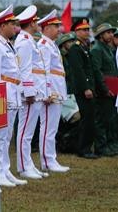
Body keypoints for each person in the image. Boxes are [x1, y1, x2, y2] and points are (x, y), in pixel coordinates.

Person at [0, 5, 27, 187]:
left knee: (7, 136)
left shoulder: (7, 45)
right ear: (3, 25)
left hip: (13, 94)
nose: (15, 28)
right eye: (12, 24)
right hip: (1, 94)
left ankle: (5, 169)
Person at [14, 5, 50, 179]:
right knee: (25, 132)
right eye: (36, 21)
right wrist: (28, 92)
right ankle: (23, 166)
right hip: (30, 92)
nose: (38, 24)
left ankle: (28, 163)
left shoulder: (29, 40)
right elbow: (25, 68)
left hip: (35, 90)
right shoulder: (25, 42)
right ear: (32, 23)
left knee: (29, 131)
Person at [36, 10, 70, 173]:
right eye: (56, 26)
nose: (59, 29)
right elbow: (45, 71)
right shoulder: (43, 45)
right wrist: (47, 91)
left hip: (57, 88)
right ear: (47, 27)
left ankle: (51, 158)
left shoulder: (51, 44)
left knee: (52, 127)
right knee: (48, 127)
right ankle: (47, 161)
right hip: (51, 91)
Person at [66, 19, 101, 158]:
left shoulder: (83, 46)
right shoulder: (75, 48)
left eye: (88, 29)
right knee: (86, 120)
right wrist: (86, 88)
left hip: (89, 88)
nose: (87, 32)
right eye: (84, 30)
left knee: (90, 119)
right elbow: (79, 71)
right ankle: (83, 149)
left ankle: (86, 147)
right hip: (83, 90)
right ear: (77, 32)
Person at [89, 23, 118, 156]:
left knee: (110, 119)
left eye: (112, 32)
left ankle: (110, 145)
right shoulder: (97, 49)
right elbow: (97, 71)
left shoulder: (106, 48)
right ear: (101, 35)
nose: (111, 35)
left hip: (111, 88)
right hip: (103, 90)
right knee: (101, 120)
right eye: (108, 33)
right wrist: (105, 89)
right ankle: (101, 147)